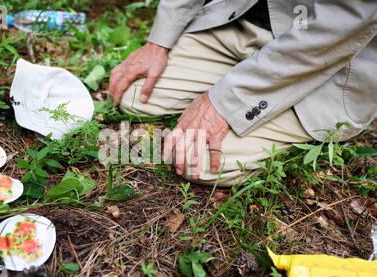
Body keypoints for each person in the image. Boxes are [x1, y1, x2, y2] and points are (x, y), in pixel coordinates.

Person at [109, 0, 377, 186]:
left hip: (327, 59)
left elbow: (339, 27)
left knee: (198, 162)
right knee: (135, 96)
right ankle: (242, 76)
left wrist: (226, 101)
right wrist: (159, 42)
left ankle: (298, 131)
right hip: (240, 20)